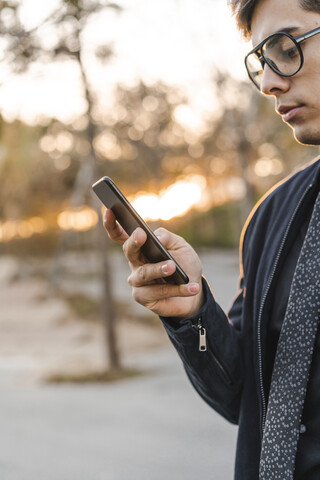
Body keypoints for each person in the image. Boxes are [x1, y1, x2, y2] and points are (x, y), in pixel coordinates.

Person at [103, 0, 320, 478]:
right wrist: (192, 310)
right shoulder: (272, 217)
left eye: (286, 48)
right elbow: (243, 396)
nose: (268, 83)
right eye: (261, 61)